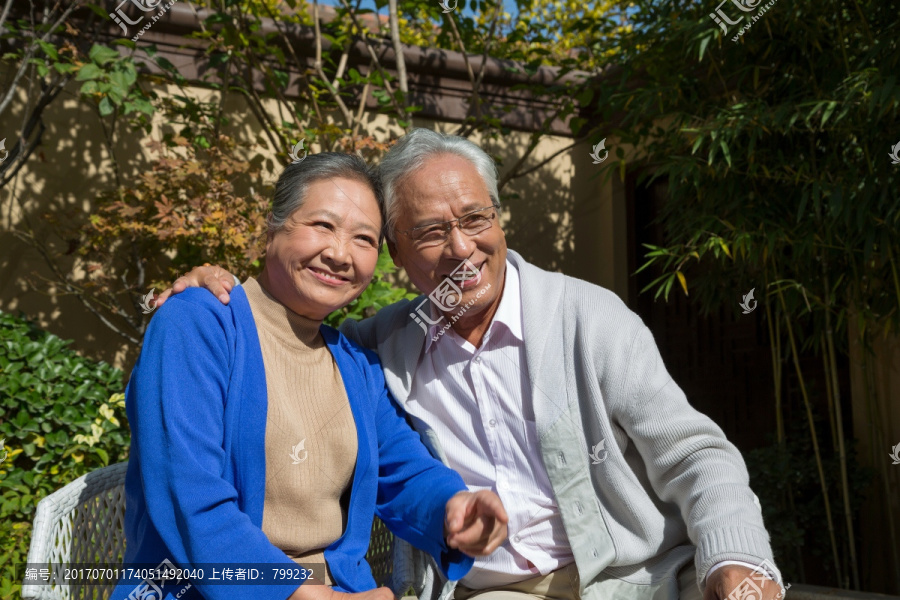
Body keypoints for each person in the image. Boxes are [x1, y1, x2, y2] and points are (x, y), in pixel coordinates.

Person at [157, 130, 785, 600]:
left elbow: (696, 454)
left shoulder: (585, 320)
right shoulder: (362, 345)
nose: (461, 248)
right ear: (401, 254)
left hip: (635, 582)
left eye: (475, 219)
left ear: (497, 219)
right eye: (430, 232)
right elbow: (192, 496)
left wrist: (452, 511)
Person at [112, 152, 508, 600]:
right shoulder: (199, 324)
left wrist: (453, 509)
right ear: (273, 227)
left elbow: (404, 471)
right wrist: (296, 592)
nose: (340, 254)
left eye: (363, 239)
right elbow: (190, 498)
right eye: (322, 225)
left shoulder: (354, 364)